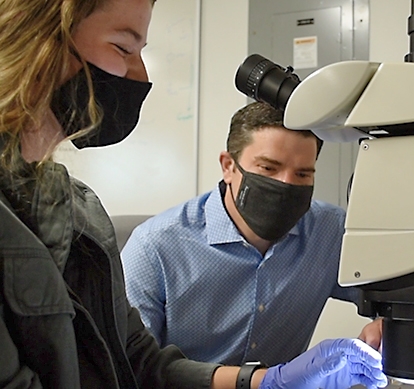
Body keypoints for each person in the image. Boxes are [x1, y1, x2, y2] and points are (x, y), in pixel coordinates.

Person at [0, 0, 389, 388]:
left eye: (304, 173)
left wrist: (268, 381)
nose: (139, 74)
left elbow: (136, 361)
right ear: (38, 40)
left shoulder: (75, 213)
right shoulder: (156, 244)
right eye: (123, 48)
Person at [122, 101, 383, 367]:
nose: (286, 184)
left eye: (303, 173)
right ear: (228, 166)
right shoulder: (154, 247)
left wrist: (385, 325)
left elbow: (395, 295)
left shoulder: (329, 232)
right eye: (268, 168)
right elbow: (133, 366)